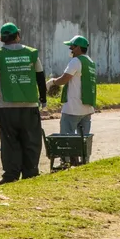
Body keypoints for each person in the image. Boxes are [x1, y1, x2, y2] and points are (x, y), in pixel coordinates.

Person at [0, 22, 47, 184]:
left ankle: (10, 175)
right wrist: (43, 98)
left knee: (9, 142)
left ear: (1, 39)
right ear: (17, 36)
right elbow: (40, 76)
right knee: (31, 140)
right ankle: (30, 172)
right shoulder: (32, 53)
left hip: (7, 108)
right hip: (29, 106)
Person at [46, 35, 96, 166]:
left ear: (78, 48)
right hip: (87, 107)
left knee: (66, 136)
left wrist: (52, 82)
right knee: (83, 137)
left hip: (73, 107)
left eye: (72, 47)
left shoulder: (76, 61)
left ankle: (66, 161)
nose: (70, 49)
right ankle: (84, 161)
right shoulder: (90, 62)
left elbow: (65, 78)